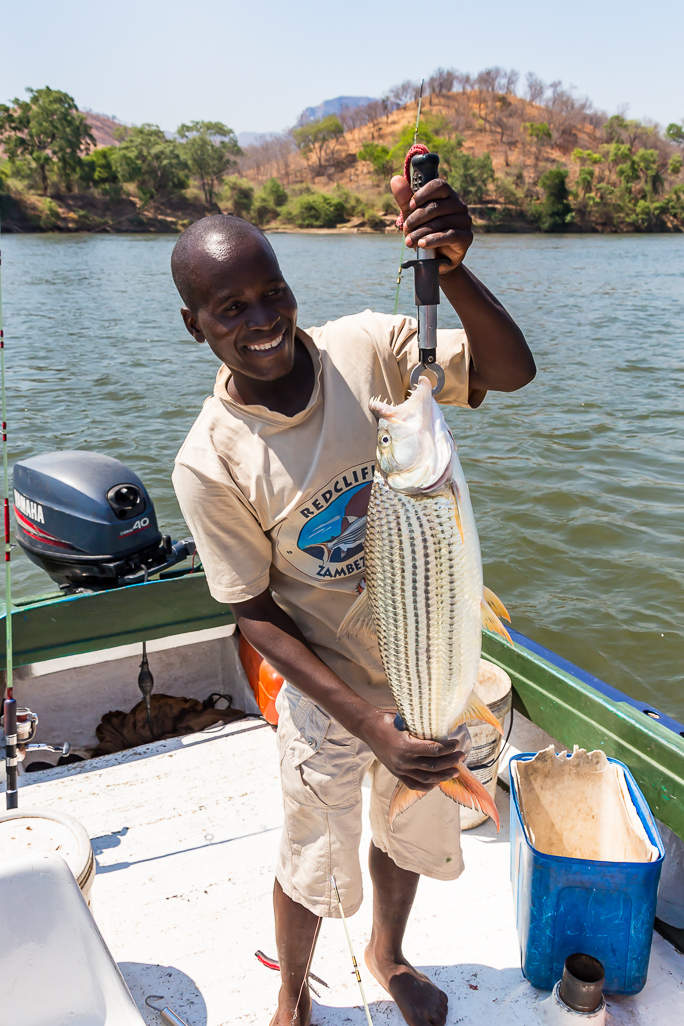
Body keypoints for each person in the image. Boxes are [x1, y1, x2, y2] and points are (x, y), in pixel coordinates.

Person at [171, 172, 535, 1026]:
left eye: (272, 293)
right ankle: (292, 993)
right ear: (196, 326)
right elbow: (254, 613)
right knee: (311, 859)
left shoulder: (367, 349)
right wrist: (369, 722)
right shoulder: (211, 459)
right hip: (327, 688)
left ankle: (389, 954)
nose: (262, 320)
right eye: (231, 310)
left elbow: (510, 372)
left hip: (430, 662)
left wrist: (449, 270)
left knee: (404, 833)